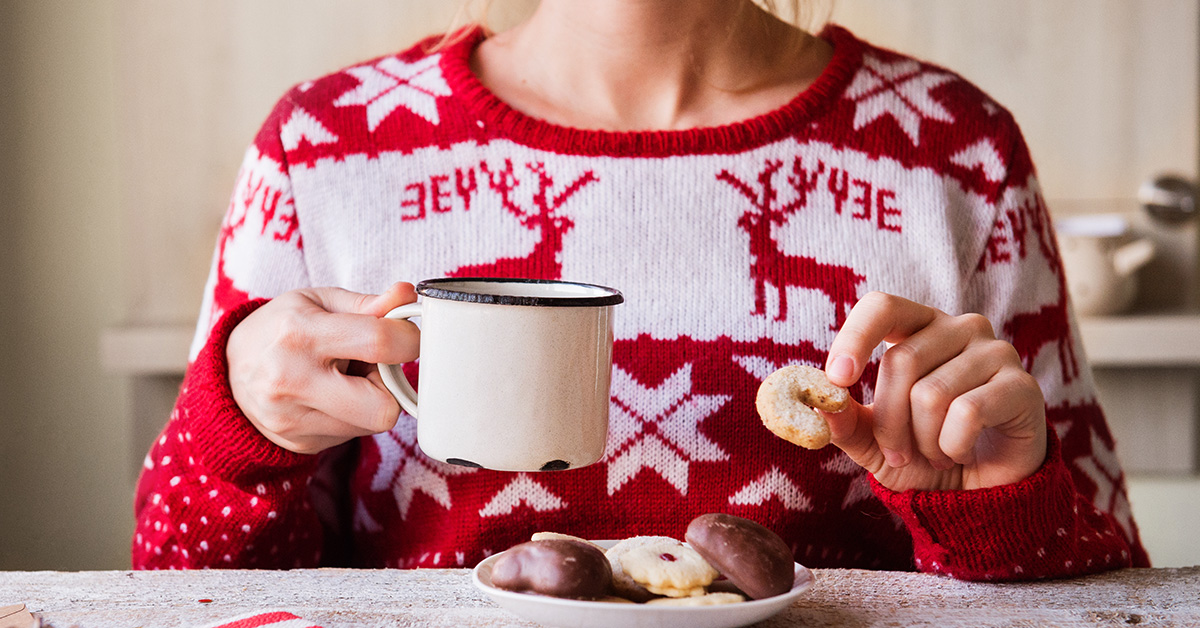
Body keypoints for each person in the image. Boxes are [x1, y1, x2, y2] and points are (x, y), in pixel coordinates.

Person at [132, 0, 1150, 579]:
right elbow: (178, 584)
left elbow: (1103, 590)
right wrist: (237, 433)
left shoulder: (954, 148)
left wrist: (995, 505)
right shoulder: (326, 147)